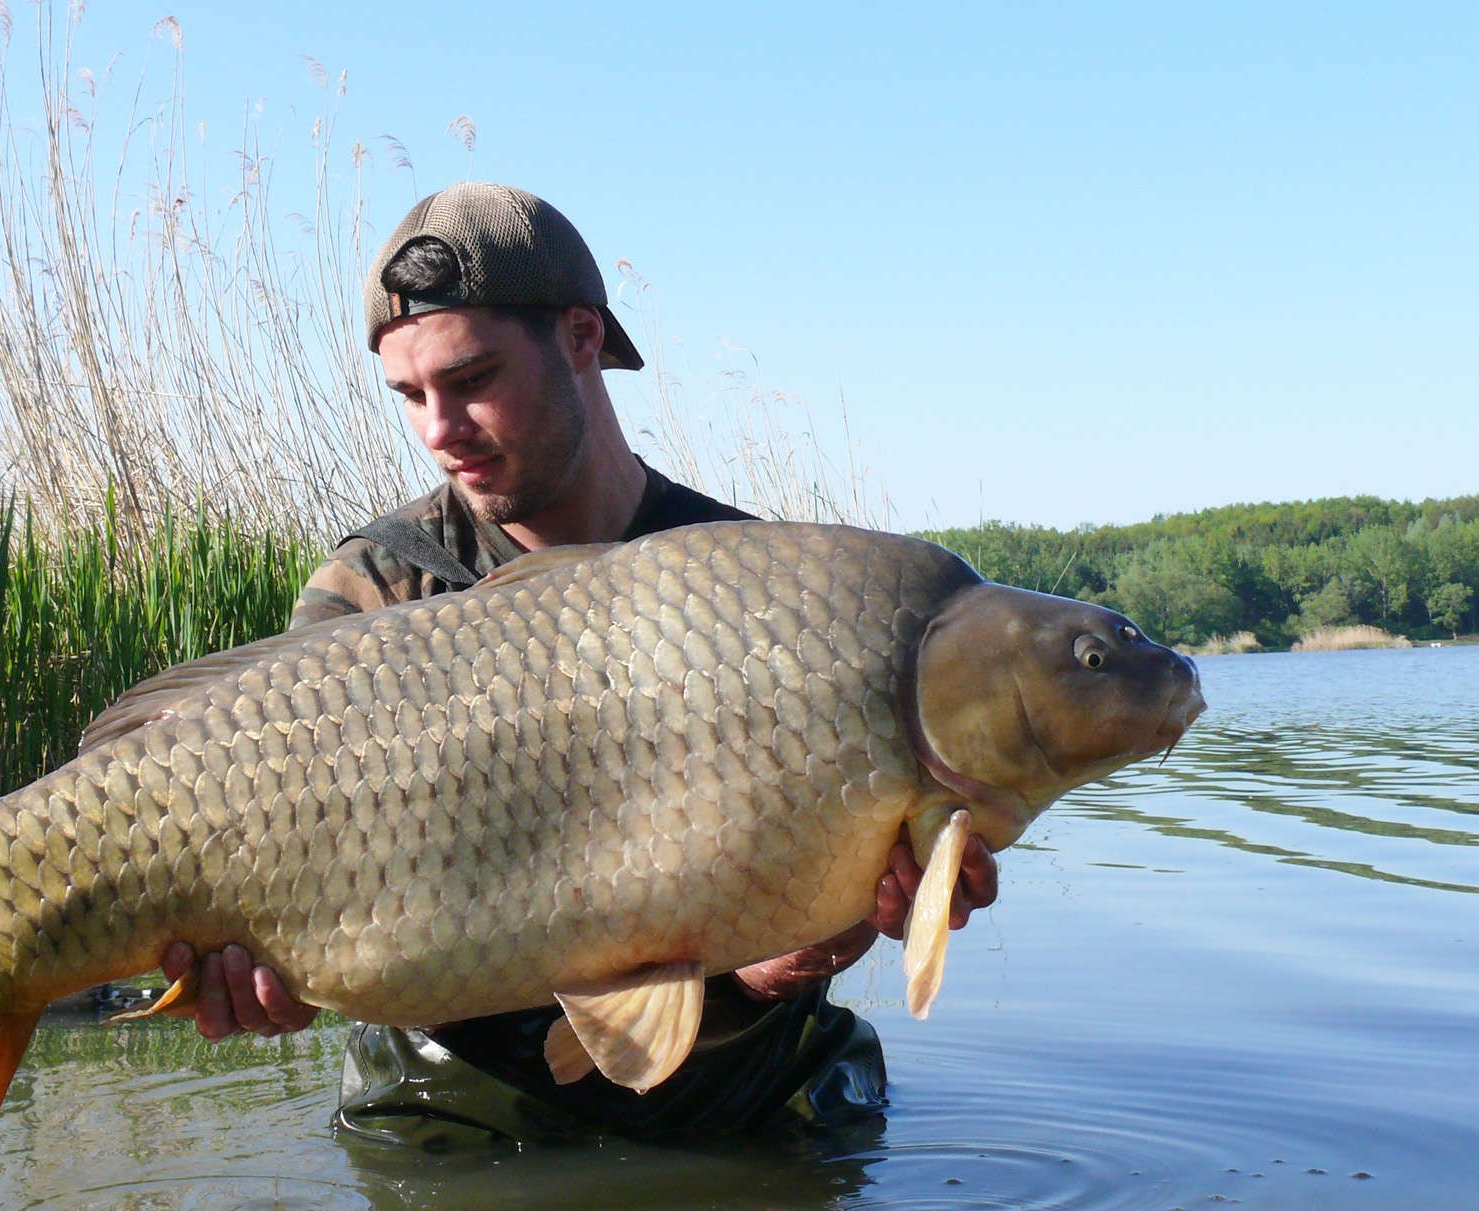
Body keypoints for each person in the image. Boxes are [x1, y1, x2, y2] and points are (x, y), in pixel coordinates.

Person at [158, 183, 997, 1145]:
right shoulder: (376, 591)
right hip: (456, 1089)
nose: (439, 428)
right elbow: (305, 910)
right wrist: (275, 979)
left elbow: (772, 949)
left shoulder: (762, 587)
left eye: (470, 379)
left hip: (736, 1074)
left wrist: (783, 962)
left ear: (583, 337)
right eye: (411, 396)